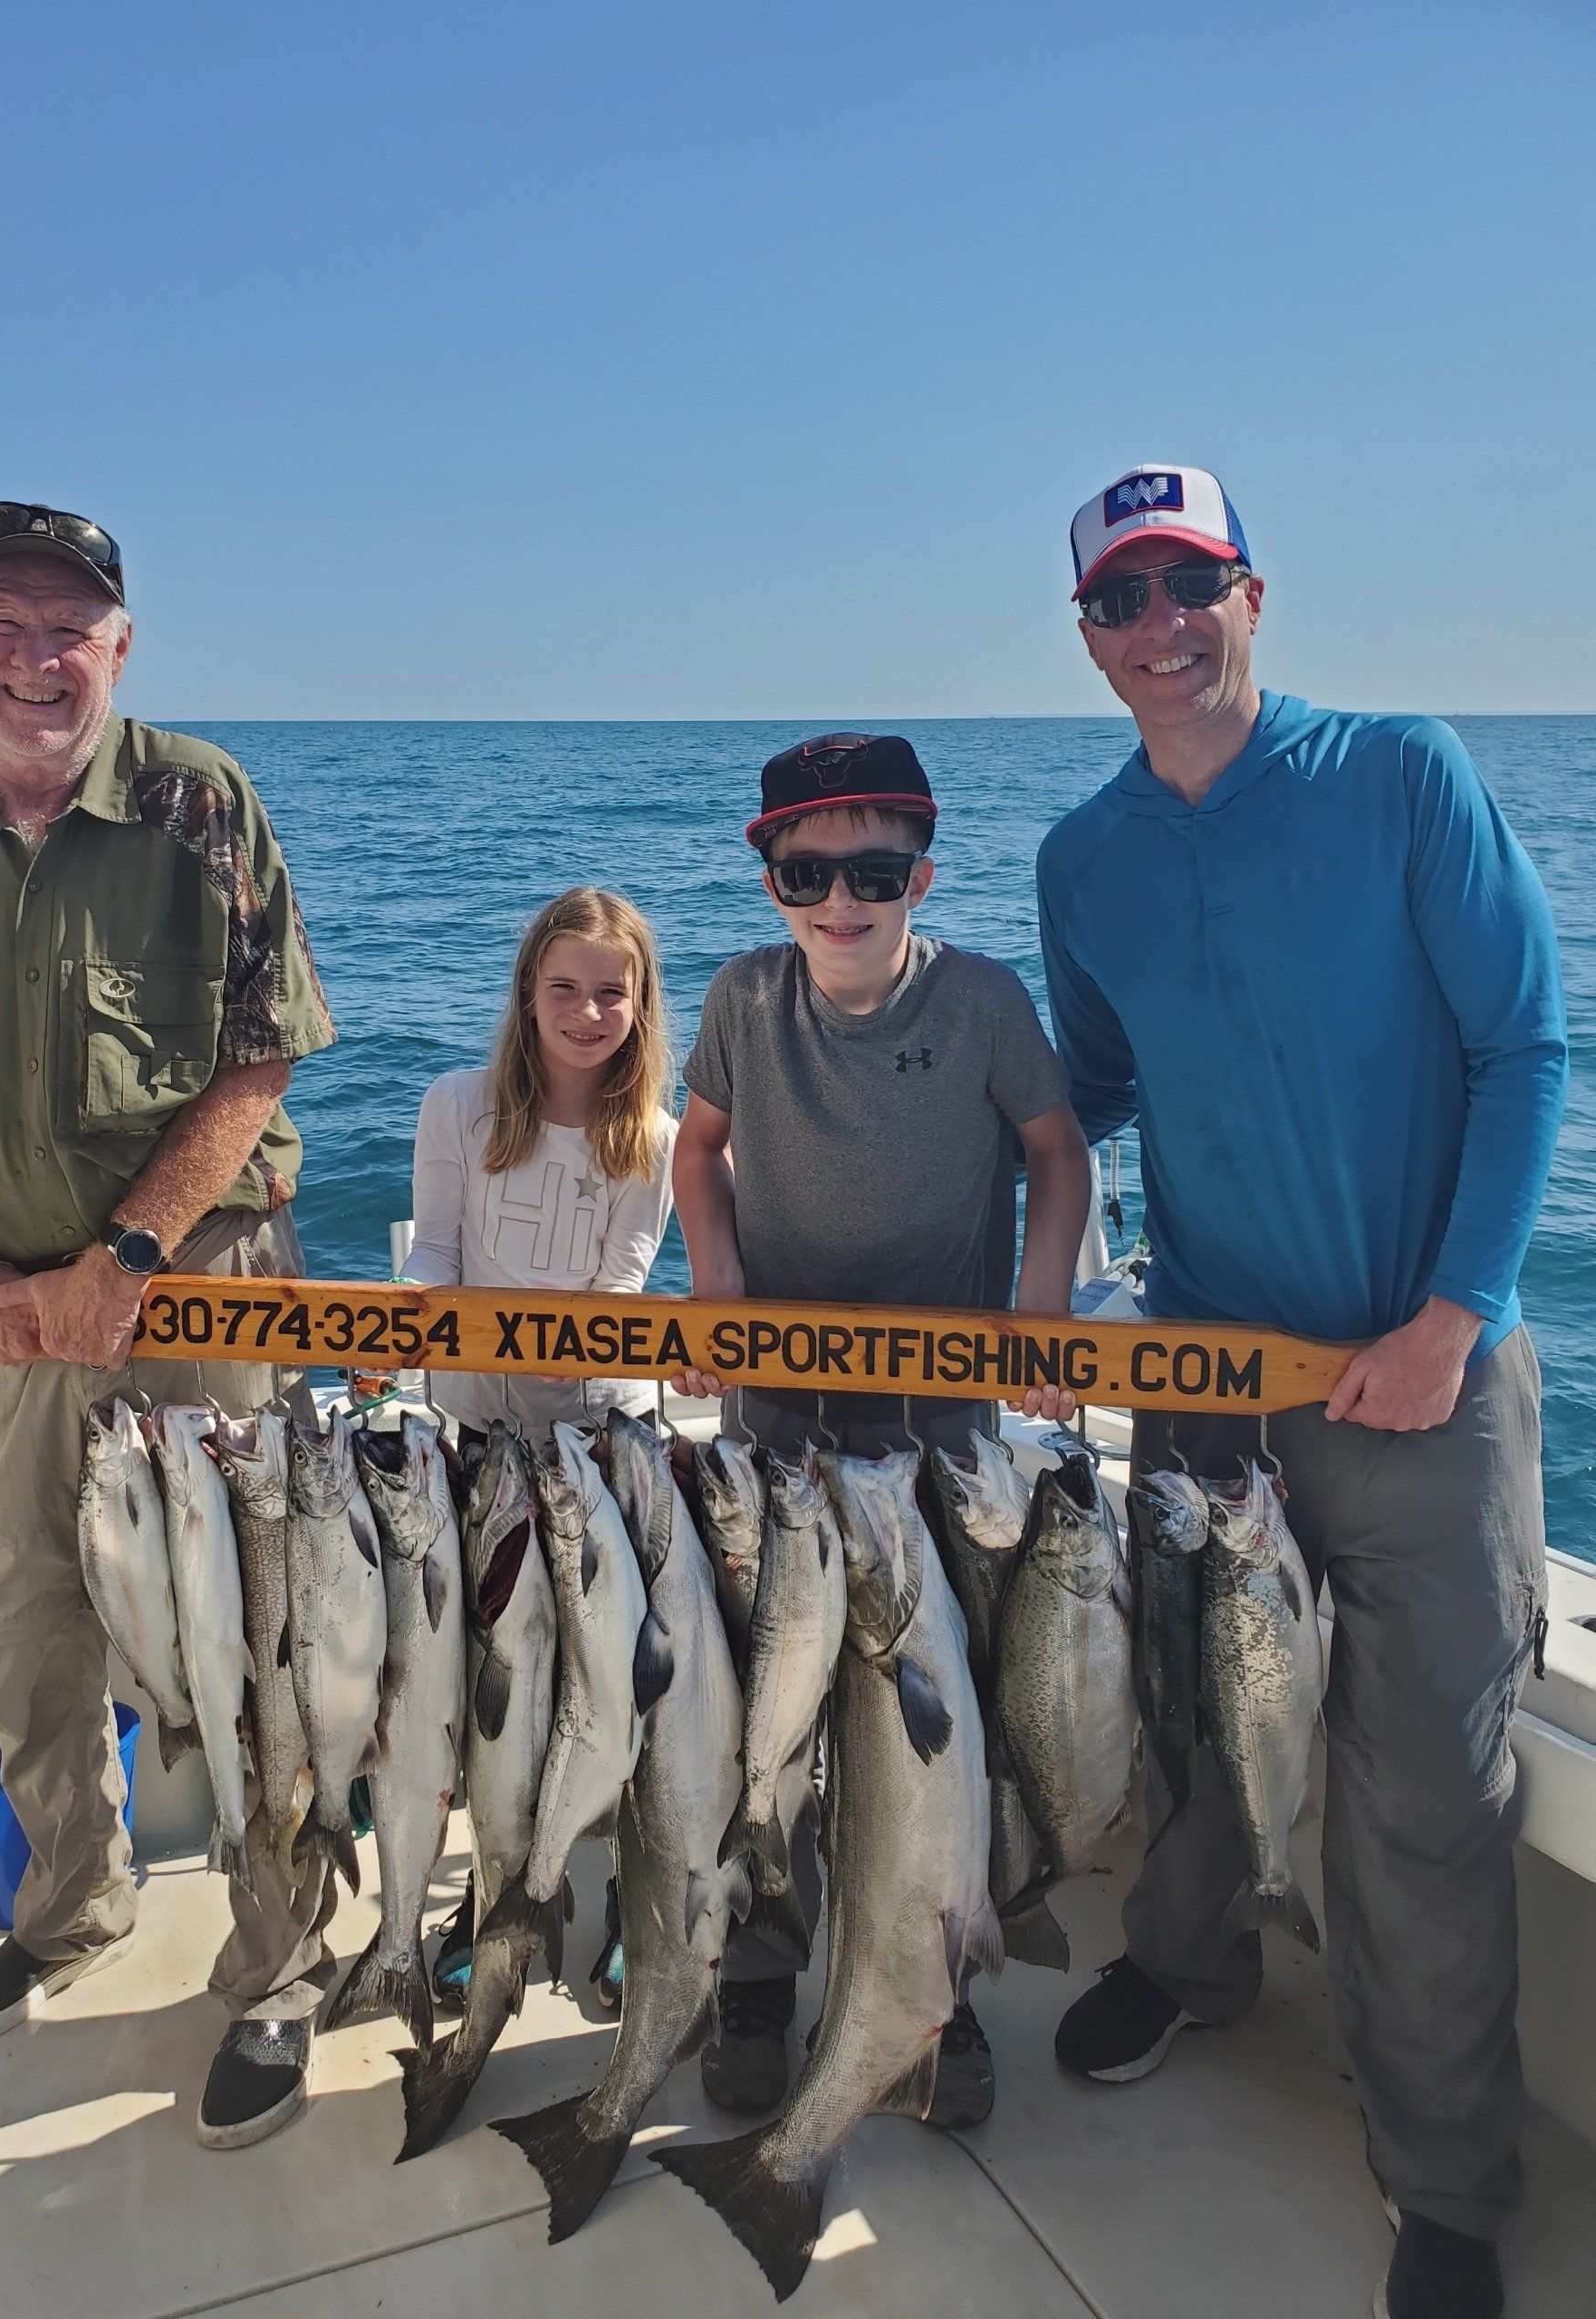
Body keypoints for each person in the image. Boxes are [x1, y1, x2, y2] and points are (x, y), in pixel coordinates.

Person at [1037, 466, 1566, 2319]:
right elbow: (1085, 1092)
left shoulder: (1405, 774)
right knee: (1193, 1723)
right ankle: (1190, 1968)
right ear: (1087, 638)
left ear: (1254, 596)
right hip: (1206, 1380)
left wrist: (1455, 1312)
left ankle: (1446, 2180)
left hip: (1426, 1381)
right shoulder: (1083, 860)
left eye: (1191, 584)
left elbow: (1525, 1044)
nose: (1162, 626)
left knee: (1426, 1797)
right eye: (1122, 598)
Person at [0, 502, 341, 2151]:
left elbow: (264, 1056)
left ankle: (281, 1964)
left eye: (70, 626)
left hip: (195, 1281)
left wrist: (125, 1257)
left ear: (120, 648)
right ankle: (70, 1904)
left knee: (257, 1632)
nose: (36, 656)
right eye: (3, 619)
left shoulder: (202, 801)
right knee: (16, 1609)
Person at [670, 729, 1091, 2125]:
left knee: (935, 1730)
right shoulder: (742, 997)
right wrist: (716, 1286)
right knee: (769, 1717)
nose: (842, 900)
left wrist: (1041, 1308)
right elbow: (696, 1146)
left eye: (876, 872)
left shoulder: (984, 1001)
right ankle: (757, 1974)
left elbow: (1057, 1149)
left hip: (942, 1439)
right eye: (809, 874)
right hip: (778, 1426)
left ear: (924, 874)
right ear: (770, 883)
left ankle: (935, 1993)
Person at [398, 884, 678, 2015]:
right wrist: (402, 1321)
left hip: (604, 1452)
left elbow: (620, 1290)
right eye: (564, 986)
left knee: (617, 1687)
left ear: (642, 1003)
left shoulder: (656, 1136)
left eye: (613, 991)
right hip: (479, 1443)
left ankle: (631, 1907)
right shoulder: (457, 1106)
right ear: (527, 991)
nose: (587, 1010)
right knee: (497, 1690)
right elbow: (434, 1255)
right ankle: (494, 1899)